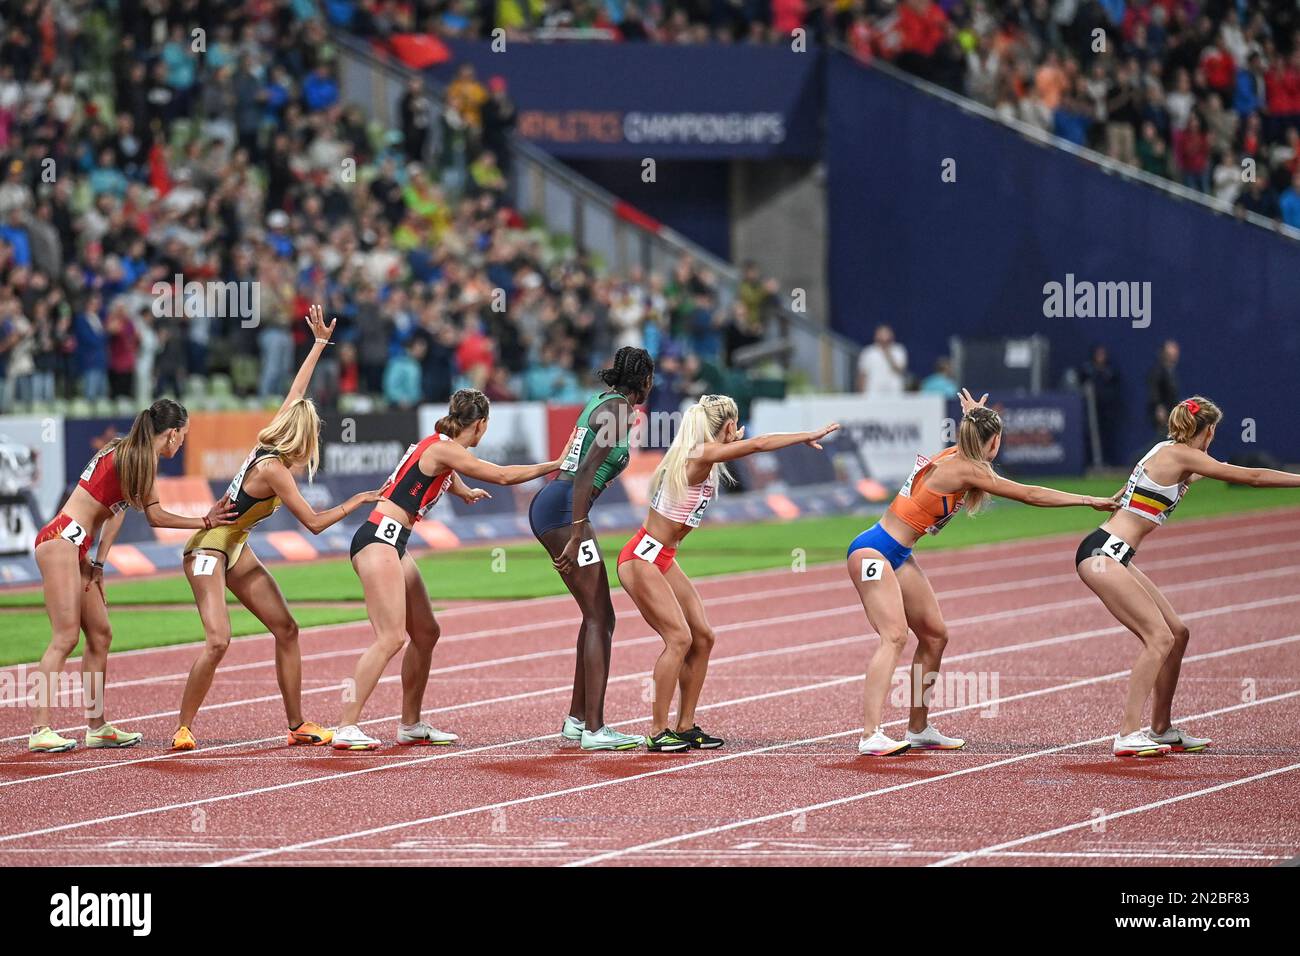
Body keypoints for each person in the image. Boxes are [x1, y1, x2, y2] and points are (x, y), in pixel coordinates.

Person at [849, 390, 1118, 756]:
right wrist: (1088, 500)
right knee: (894, 637)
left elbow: (974, 438)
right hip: (873, 551)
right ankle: (870, 734)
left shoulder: (961, 455)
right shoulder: (966, 468)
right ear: (993, 442)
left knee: (934, 636)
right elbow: (1030, 494)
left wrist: (976, 414)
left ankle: (917, 728)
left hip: (897, 553)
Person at [171, 306, 383, 751]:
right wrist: (356, 501)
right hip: (209, 549)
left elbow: (296, 390)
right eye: (313, 441)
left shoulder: (271, 445)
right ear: (302, 439)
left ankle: (297, 724)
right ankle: (183, 727)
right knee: (218, 639)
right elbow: (312, 523)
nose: (313, 451)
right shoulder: (274, 470)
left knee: (287, 629)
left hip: (235, 546)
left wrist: (320, 344)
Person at [332, 388, 569, 750]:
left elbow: (440, 473)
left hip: (392, 541)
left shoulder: (440, 445)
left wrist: (464, 491)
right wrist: (554, 464)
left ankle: (410, 724)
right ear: (482, 425)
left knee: (426, 632)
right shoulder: (445, 449)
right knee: (392, 637)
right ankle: (346, 726)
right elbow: (503, 476)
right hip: (378, 539)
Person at [1076, 397, 1300, 756]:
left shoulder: (1167, 450)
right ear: (1209, 430)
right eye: (1215, 431)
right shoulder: (1182, 455)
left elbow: (1148, 483)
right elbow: (1253, 477)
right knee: (1159, 637)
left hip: (1113, 552)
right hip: (1103, 554)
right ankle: (1127, 734)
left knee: (1177, 633)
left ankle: (1161, 728)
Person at [618, 395, 839, 751]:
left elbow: (748, 444)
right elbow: (760, 444)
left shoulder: (704, 454)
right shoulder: (701, 454)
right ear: (730, 426)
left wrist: (734, 441)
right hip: (642, 558)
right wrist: (805, 436)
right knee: (679, 639)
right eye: (735, 427)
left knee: (702, 637)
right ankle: (658, 731)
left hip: (663, 556)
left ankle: (686, 724)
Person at [28, 399, 238, 753]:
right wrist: (205, 521)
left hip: (75, 547)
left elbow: (115, 510)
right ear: (171, 434)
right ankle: (39, 729)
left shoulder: (128, 452)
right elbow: (157, 518)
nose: (182, 442)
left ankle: (96, 726)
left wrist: (99, 563)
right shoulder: (140, 459)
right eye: (183, 436)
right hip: (60, 540)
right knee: (65, 637)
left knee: (100, 633)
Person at [529, 346, 654, 751]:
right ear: (645, 380)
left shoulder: (599, 401)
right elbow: (584, 471)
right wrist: (579, 528)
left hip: (558, 504)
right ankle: (595, 730)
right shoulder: (620, 411)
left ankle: (577, 720)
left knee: (595, 615)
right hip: (565, 509)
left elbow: (578, 462)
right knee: (603, 617)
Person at [856, 324, 908, 396]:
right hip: (873, 392)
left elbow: (900, 370)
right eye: (881, 334)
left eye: (886, 334)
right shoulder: (868, 352)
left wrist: (888, 354)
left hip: (894, 392)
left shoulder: (898, 350)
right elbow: (862, 374)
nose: (884, 337)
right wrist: (861, 394)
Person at [1146, 340, 1180, 436]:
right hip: (1163, 413)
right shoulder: (1157, 371)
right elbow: (1153, 389)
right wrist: (1159, 407)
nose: (1174, 354)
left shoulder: (1171, 371)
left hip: (1172, 413)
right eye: (1171, 352)